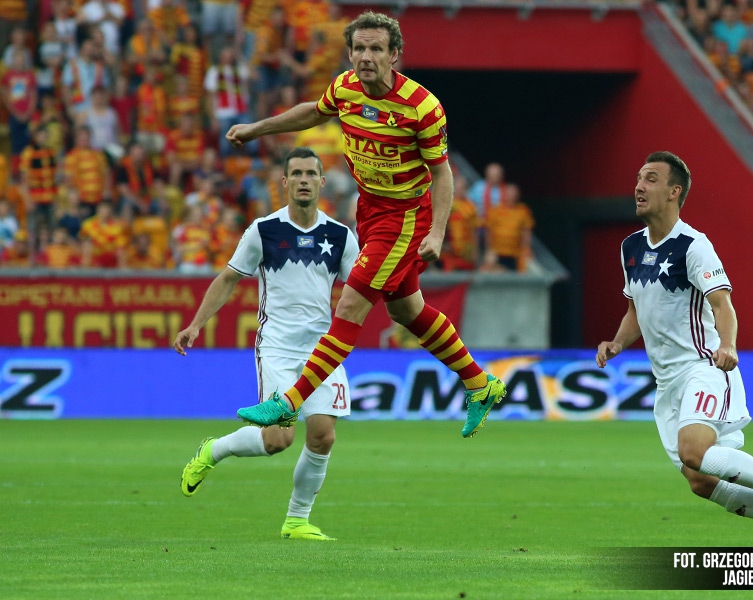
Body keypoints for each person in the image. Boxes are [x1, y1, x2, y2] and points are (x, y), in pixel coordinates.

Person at [225, 11, 506, 438]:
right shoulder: (345, 88)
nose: (365, 57)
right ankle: (480, 384)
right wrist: (257, 129)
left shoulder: (422, 107)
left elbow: (442, 173)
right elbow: (313, 112)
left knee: (350, 305)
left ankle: (289, 404)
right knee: (405, 309)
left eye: (376, 49)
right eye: (359, 48)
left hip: (404, 217)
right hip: (370, 210)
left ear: (394, 55)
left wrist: (437, 232)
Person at [595, 151, 753, 548]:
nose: (639, 186)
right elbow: (635, 309)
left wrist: (727, 344)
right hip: (667, 383)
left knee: (694, 451)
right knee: (700, 480)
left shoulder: (694, 245)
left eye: (651, 179)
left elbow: (722, 303)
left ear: (674, 191)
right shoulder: (630, 248)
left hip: (703, 367)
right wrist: (617, 342)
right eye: (639, 177)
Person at [175, 147, 359, 541]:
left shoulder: (341, 236)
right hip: (277, 347)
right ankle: (213, 451)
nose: (304, 180)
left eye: (311, 173)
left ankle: (296, 521)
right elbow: (228, 278)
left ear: (322, 182)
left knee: (323, 435)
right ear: (285, 182)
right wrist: (196, 324)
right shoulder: (264, 230)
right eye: (297, 173)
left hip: (322, 350)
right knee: (279, 440)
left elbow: (359, 291)